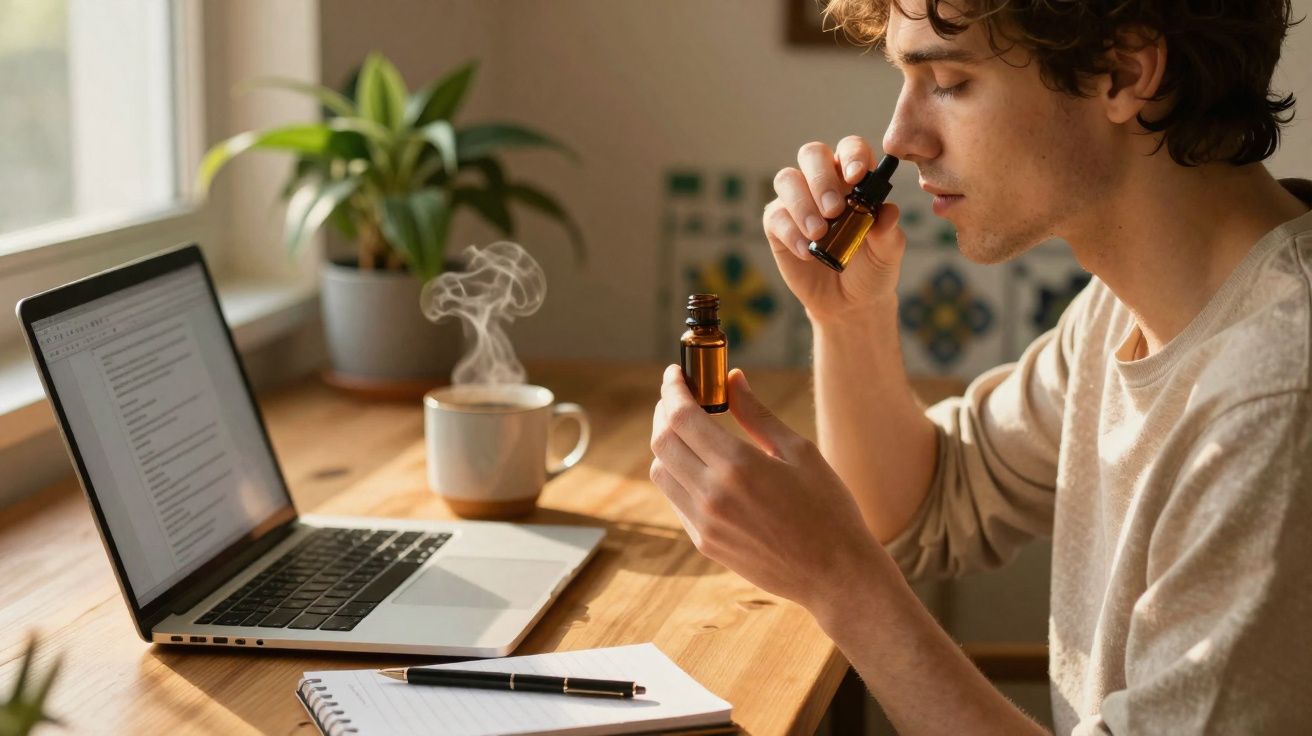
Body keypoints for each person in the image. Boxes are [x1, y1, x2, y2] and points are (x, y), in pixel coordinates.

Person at [648, 0, 1312, 732]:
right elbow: (921, 508)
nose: (901, 137)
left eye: (950, 82)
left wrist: (842, 585)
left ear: (1123, 73)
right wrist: (848, 316)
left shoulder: (1279, 398)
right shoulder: (1128, 309)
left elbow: (868, 550)